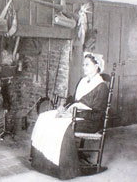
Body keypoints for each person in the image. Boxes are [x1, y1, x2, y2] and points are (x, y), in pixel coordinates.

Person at [30, 52, 108, 180]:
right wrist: (64, 107)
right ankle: (43, 161)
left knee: (62, 126)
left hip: (90, 121)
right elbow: (73, 98)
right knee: (45, 117)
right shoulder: (83, 81)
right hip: (75, 113)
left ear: (96, 66)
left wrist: (74, 113)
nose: (84, 67)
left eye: (87, 65)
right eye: (83, 64)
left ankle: (64, 168)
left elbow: (97, 113)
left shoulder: (101, 86)